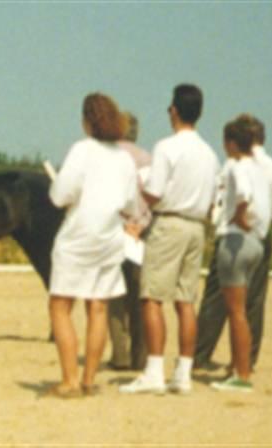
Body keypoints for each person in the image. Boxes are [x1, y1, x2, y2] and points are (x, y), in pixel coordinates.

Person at [120, 84, 219, 395]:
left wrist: (138, 190)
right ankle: (184, 371)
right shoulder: (209, 153)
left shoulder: (166, 147)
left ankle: (154, 370)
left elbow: (154, 192)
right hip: (196, 227)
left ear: (174, 110)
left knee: (151, 296)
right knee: (185, 300)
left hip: (170, 223)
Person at [48, 93, 139, 398]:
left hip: (78, 236)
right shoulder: (124, 157)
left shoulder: (81, 151)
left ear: (87, 120)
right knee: (98, 307)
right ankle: (88, 379)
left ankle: (69, 380)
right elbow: (129, 202)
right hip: (109, 236)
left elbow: (60, 195)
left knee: (60, 305)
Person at [194, 114, 272, 371]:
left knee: (217, 297)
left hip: (236, 233)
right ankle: (248, 358)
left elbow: (224, 195)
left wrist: (236, 217)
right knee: (254, 301)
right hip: (262, 235)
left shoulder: (234, 164)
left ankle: (201, 353)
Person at [209, 118, 271, 392]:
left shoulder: (237, 167)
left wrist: (238, 216)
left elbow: (243, 194)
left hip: (237, 240)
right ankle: (239, 368)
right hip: (257, 241)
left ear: (232, 143)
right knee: (243, 310)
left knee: (235, 312)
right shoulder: (261, 169)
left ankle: (241, 374)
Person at [107, 112, 150, 371]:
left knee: (115, 296)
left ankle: (119, 354)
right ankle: (140, 354)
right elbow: (153, 197)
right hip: (141, 232)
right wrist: (140, 224)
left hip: (114, 230)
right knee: (140, 294)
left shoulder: (109, 158)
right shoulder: (147, 159)